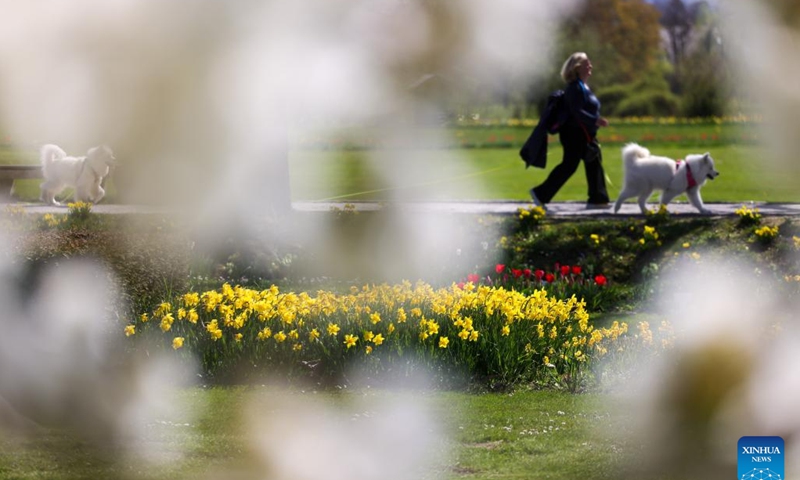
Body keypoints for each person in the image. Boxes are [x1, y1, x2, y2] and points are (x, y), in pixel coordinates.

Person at [530, 52, 610, 209]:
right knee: (569, 165)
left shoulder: (583, 87)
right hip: (574, 134)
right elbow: (576, 111)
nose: (591, 66)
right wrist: (595, 120)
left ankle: (598, 199)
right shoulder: (574, 88)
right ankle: (540, 193)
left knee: (593, 162)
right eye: (587, 64)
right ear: (577, 67)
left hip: (585, 134)